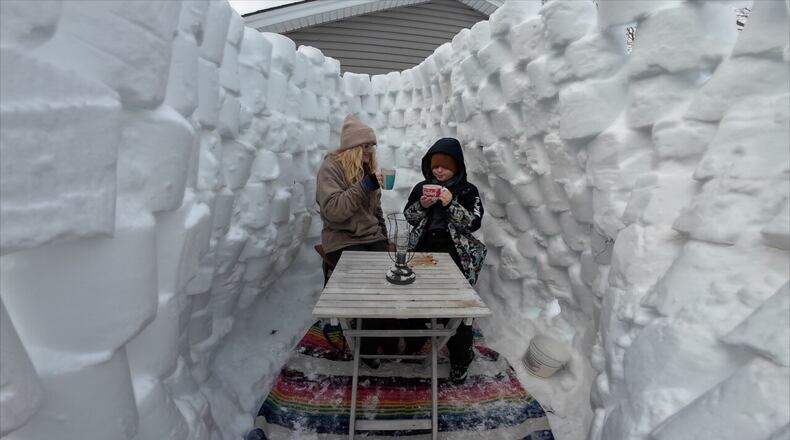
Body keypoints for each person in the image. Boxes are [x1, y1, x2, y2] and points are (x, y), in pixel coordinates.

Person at [403, 137, 487, 383]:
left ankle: (461, 356)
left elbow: (473, 223)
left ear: (457, 166)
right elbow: (409, 216)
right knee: (416, 298)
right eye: (435, 165)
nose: (438, 170)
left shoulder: (468, 191)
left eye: (445, 166)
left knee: (457, 307)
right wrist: (422, 204)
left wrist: (451, 203)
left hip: (455, 254)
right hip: (423, 251)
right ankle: (415, 341)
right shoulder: (422, 187)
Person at [316, 114, 395, 368]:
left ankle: (388, 335)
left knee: (391, 278)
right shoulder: (332, 167)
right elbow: (334, 211)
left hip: (371, 237)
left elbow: (375, 209)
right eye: (365, 145)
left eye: (372, 145)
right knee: (368, 282)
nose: (371, 150)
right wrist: (364, 185)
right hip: (342, 239)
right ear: (352, 147)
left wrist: (384, 236)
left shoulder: (367, 169)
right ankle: (369, 346)